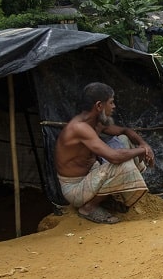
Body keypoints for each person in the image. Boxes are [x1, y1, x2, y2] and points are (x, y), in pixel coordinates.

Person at [55, 82, 155, 224]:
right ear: (99, 106)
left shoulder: (96, 123)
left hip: (90, 175)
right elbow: (115, 158)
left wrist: (144, 144)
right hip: (75, 188)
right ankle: (88, 208)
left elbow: (125, 131)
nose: (114, 107)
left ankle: (106, 199)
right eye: (111, 102)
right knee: (123, 163)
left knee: (124, 140)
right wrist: (143, 150)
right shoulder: (80, 128)